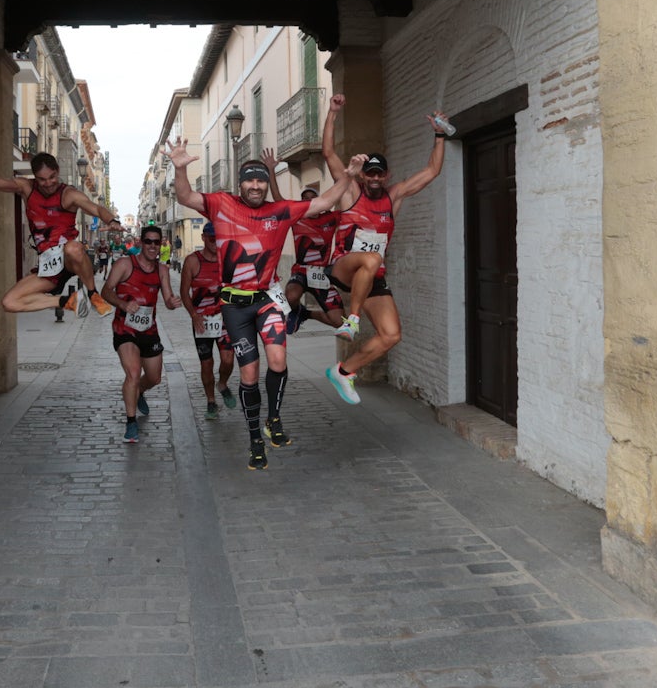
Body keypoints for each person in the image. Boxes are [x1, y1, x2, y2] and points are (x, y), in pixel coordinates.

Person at [166, 137, 366, 470]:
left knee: (277, 360)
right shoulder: (221, 203)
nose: (257, 186)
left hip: (266, 300)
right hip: (234, 306)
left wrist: (349, 176)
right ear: (240, 184)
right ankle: (255, 438)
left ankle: (273, 418)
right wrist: (180, 168)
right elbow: (185, 196)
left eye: (261, 180)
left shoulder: (281, 210)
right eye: (250, 180)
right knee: (249, 373)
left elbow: (326, 200)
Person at [319, 93, 449, 405]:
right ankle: (351, 320)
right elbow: (327, 152)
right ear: (363, 175)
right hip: (342, 267)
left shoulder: (394, 196)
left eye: (380, 173)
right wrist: (333, 113)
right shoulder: (351, 190)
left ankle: (344, 371)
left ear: (386, 175)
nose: (374, 178)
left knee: (391, 334)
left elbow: (431, 172)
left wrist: (440, 134)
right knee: (373, 258)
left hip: (372, 275)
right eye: (370, 173)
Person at [0, 152, 120, 317]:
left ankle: (93, 294)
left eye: (52, 177)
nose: (48, 183)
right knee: (9, 302)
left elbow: (95, 208)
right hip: (48, 268)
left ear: (57, 171)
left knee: (73, 248)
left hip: (69, 260)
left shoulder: (68, 194)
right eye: (42, 179)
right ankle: (67, 301)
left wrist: (112, 221)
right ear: (35, 177)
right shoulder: (26, 187)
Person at [100, 224, 181, 444]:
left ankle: (140, 391)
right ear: (140, 242)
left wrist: (173, 303)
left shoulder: (162, 270)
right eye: (149, 242)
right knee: (133, 373)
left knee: (154, 378)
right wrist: (123, 304)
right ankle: (131, 422)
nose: (153, 246)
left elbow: (167, 300)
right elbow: (106, 291)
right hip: (125, 329)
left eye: (157, 242)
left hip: (149, 330)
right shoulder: (125, 264)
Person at [259, 147, 347, 335]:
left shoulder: (331, 218)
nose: (308, 201)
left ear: (319, 201)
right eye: (304, 199)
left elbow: (352, 209)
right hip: (301, 271)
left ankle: (305, 313)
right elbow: (278, 200)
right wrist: (271, 171)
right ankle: (294, 309)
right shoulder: (297, 218)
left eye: (312, 198)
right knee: (290, 296)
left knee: (340, 322)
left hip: (322, 274)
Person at [179, 221, 237, 421]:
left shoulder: (228, 260)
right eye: (211, 238)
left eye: (218, 238)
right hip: (202, 321)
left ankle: (223, 384)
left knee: (228, 360)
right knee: (206, 364)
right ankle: (211, 401)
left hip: (225, 320)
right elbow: (184, 292)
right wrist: (194, 315)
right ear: (204, 238)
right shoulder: (192, 261)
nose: (215, 242)